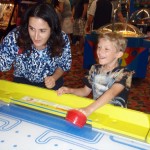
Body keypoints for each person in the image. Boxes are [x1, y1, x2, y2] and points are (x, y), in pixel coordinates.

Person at [57, 32, 134, 117]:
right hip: (98, 111)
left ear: (118, 54)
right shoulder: (95, 69)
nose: (100, 52)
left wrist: (89, 109)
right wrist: (69, 90)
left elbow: (111, 93)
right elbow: (85, 91)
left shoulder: (124, 73)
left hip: (116, 116)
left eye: (106, 49)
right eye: (99, 47)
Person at [0, 2, 72, 90]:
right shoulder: (16, 36)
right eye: (32, 29)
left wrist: (53, 78)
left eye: (42, 31)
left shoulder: (61, 38)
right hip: (22, 82)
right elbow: (2, 63)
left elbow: (63, 65)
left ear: (52, 29)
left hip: (52, 82)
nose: (36, 36)